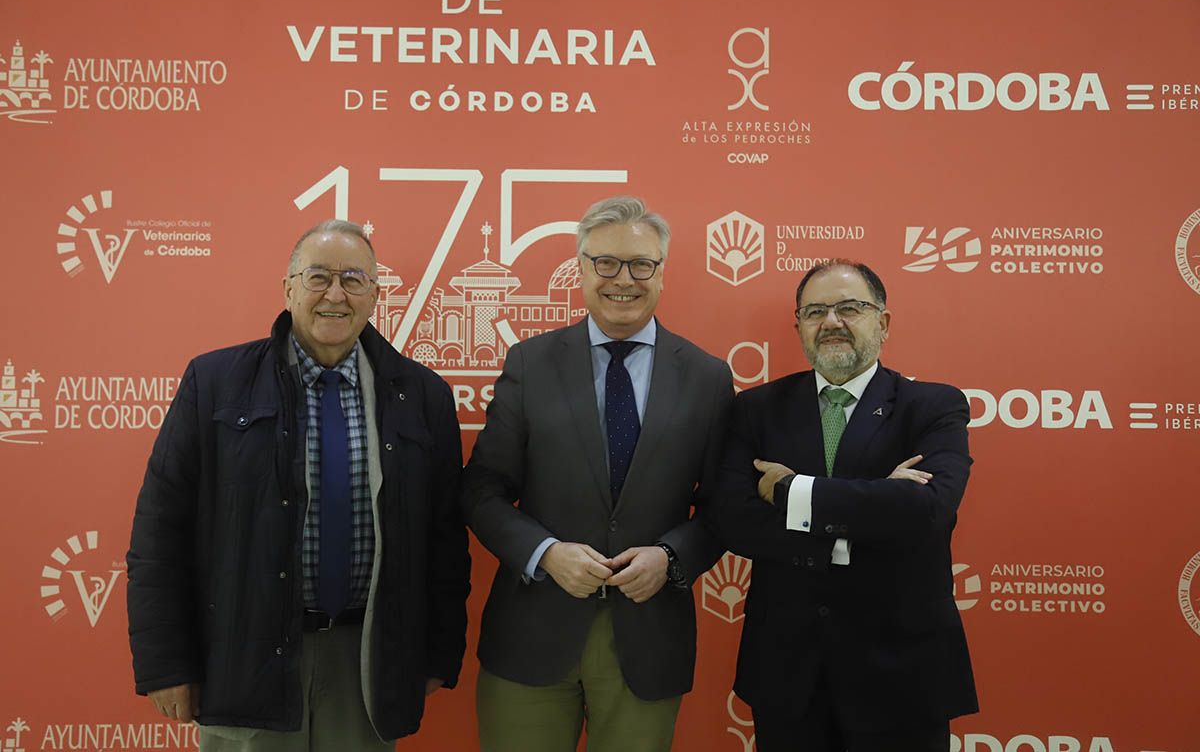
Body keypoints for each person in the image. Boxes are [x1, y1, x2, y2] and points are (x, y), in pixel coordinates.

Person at [126, 219, 471, 750]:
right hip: (246, 656)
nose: (335, 294)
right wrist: (166, 662)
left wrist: (435, 655)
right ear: (288, 289)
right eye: (318, 277)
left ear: (376, 295)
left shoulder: (422, 396)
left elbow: (445, 543)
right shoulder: (216, 383)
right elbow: (159, 531)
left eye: (354, 279)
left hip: (367, 663)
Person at [460, 196, 734, 752]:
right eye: (605, 263)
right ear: (580, 268)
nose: (622, 280)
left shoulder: (707, 377)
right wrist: (544, 553)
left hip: (648, 638)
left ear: (662, 271)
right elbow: (481, 490)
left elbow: (724, 506)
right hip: (532, 635)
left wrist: (672, 557)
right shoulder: (530, 364)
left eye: (641, 264)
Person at [709, 259, 978, 752]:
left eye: (849, 308)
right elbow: (733, 520)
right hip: (789, 676)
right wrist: (876, 506)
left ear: (884, 322)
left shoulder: (934, 406)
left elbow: (928, 509)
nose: (831, 322)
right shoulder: (755, 409)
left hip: (903, 675)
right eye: (815, 312)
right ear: (799, 327)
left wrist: (793, 492)